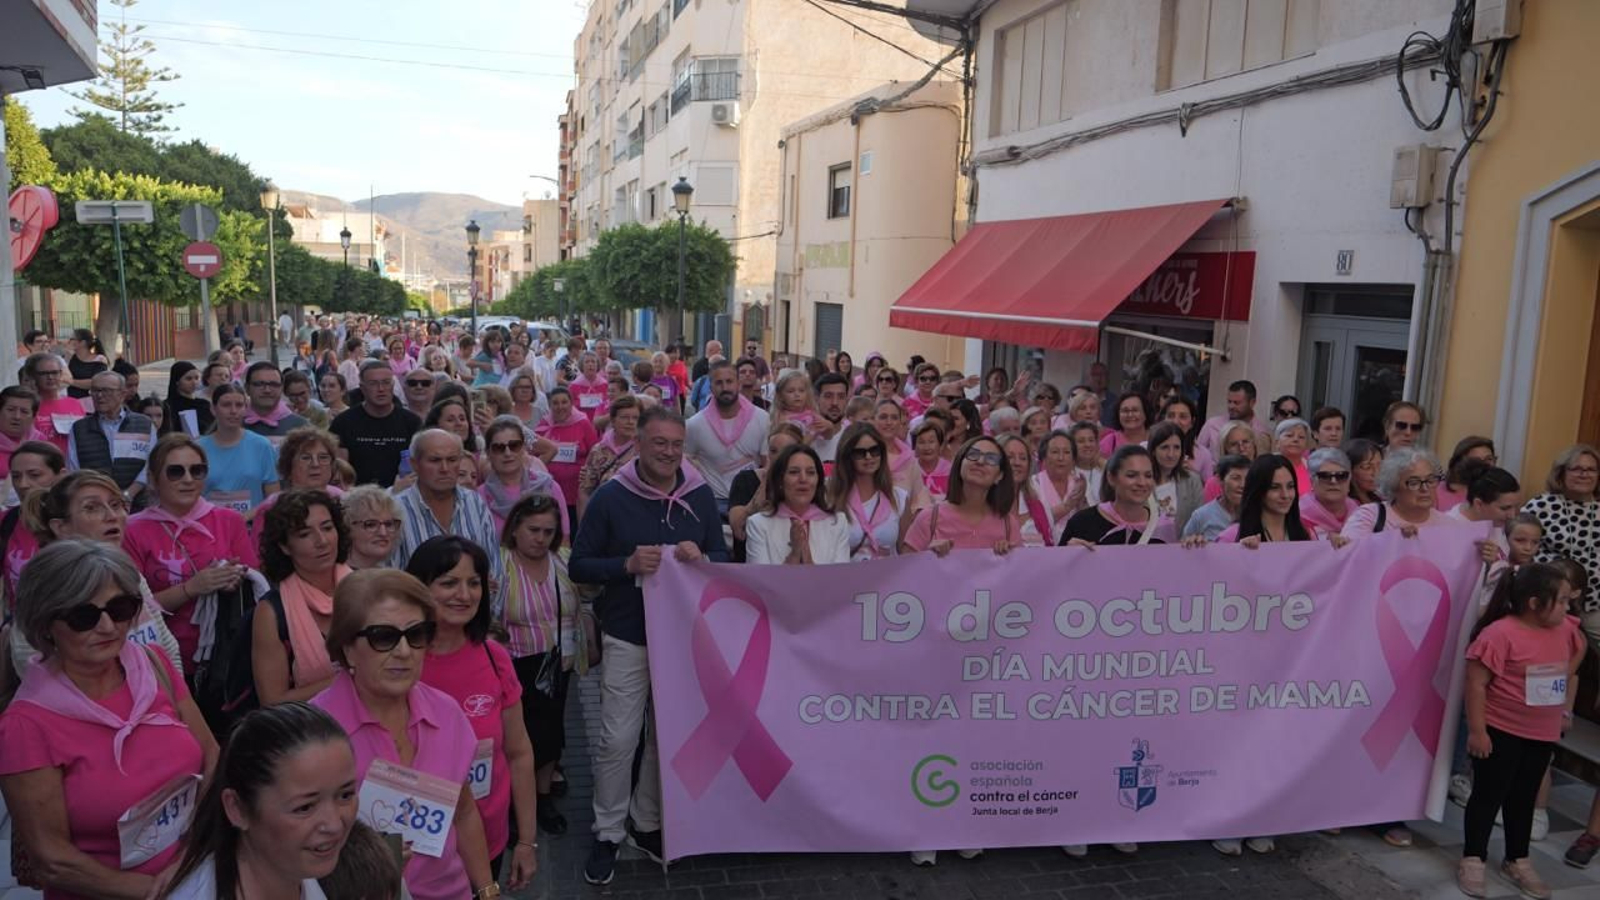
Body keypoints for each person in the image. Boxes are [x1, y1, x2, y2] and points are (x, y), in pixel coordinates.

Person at [0, 540, 216, 898]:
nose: (107, 626)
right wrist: (159, 891)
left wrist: (193, 861)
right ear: (46, 623)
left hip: (195, 874)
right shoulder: (26, 726)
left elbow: (211, 753)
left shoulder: (154, 664)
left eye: (120, 608)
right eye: (84, 617)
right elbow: (52, 859)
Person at [570, 406, 727, 885]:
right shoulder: (611, 497)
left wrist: (703, 556)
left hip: (683, 640)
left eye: (676, 444)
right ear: (637, 443)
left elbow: (722, 555)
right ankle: (608, 830)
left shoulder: (698, 494)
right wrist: (625, 565)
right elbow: (579, 565)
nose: (669, 453)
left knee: (666, 737)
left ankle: (647, 821)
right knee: (617, 738)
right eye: (659, 443)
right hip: (628, 635)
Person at [311, 569, 500, 900]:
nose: (403, 651)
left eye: (416, 634)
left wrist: (486, 891)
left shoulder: (447, 713)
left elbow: (465, 810)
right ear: (348, 648)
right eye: (384, 636)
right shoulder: (312, 733)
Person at [407, 537, 539, 889]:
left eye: (473, 583)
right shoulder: (400, 663)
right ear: (420, 588)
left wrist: (526, 841)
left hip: (488, 836)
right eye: (448, 582)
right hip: (417, 851)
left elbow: (519, 752)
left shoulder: (495, 658)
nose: (463, 595)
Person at [1458, 563, 1585, 899]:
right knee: (1488, 795)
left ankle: (1517, 858)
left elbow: (1575, 658)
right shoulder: (1500, 634)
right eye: (1559, 601)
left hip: (1541, 734)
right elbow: (1476, 683)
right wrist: (1478, 730)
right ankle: (1474, 857)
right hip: (1501, 730)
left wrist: (1562, 708)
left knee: (1525, 797)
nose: (1567, 607)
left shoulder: (1567, 630)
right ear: (1533, 602)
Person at [161, 701, 357, 900]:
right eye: (305, 807)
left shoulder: (299, 867)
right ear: (237, 808)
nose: (334, 825)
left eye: (345, 795)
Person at [14, 470, 182, 676]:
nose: (111, 516)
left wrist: (176, 702)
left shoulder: (129, 575)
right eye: (91, 508)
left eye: (115, 505)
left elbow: (167, 648)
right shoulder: (44, 589)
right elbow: (31, 666)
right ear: (61, 527)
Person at [124, 434, 259, 670]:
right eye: (175, 472)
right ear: (154, 480)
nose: (188, 479)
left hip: (221, 656)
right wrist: (191, 589)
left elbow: (254, 586)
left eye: (197, 470)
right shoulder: (132, 529)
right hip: (160, 658)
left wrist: (234, 580)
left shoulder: (229, 520)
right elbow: (132, 610)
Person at [498, 493, 583, 837]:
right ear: (515, 528)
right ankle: (514, 804)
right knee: (515, 739)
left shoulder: (564, 559)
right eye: (533, 530)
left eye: (549, 531)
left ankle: (541, 798)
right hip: (515, 665)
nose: (541, 538)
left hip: (557, 665)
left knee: (549, 736)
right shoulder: (497, 564)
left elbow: (585, 597)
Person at [252, 490, 352, 706]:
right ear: (285, 547)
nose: (322, 541)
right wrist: (349, 680)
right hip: (310, 730)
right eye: (305, 534)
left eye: (327, 528)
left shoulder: (367, 587)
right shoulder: (271, 611)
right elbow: (272, 701)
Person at [391, 430, 505, 607]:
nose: (444, 468)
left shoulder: (475, 503)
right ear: (415, 464)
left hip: (473, 621)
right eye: (435, 460)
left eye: (452, 460)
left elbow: (494, 574)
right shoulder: (395, 510)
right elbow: (393, 580)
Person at [900, 436, 1020, 560]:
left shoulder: (1008, 525)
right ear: (960, 463)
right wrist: (927, 556)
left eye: (991, 459)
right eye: (973, 454)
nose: (980, 461)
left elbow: (1019, 573)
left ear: (999, 476)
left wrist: (1010, 557)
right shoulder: (929, 518)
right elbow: (904, 570)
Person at [685, 361, 771, 516]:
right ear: (711, 388)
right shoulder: (694, 425)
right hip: (713, 504)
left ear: (738, 384)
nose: (725, 388)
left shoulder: (762, 419)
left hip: (751, 503)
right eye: (719, 383)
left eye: (729, 381)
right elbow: (686, 460)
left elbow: (768, 464)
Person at [1523, 444, 1600, 610]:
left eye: (1591, 470)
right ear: (1561, 473)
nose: (1584, 474)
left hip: (1595, 603)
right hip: (1548, 599)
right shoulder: (1541, 506)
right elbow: (1518, 546)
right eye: (1577, 469)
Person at [745, 444, 850, 564]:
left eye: (810, 473)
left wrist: (808, 559)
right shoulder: (758, 525)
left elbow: (840, 579)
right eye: (794, 472)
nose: (803, 479)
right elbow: (759, 580)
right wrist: (794, 554)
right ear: (780, 480)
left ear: (818, 480)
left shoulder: (837, 522)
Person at [331, 360, 424, 489]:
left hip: (403, 494)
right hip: (358, 495)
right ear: (362, 388)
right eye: (373, 384)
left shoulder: (411, 422)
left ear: (393, 386)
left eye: (386, 383)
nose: (381, 389)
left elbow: (422, 463)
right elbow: (340, 470)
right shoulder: (343, 422)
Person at [1060, 444, 1174, 547]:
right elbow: (1057, 568)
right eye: (1131, 475)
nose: (1142, 483)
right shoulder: (1082, 522)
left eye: (1148, 476)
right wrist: (1069, 554)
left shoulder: (1163, 528)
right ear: (1111, 478)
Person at [67, 370, 157, 498]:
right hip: (95, 502)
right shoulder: (79, 428)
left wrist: (128, 494)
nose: (99, 396)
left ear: (122, 394)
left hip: (137, 503)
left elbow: (150, 465)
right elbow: (73, 469)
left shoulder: (144, 425)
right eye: (95, 390)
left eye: (106, 390)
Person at [198, 384, 281, 518]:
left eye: (239, 405)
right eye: (226, 405)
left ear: (246, 408)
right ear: (213, 409)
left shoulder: (261, 445)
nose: (233, 411)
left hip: (251, 527)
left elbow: (273, 497)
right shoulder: (198, 448)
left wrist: (245, 517)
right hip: (210, 527)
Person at [1, 442, 67, 603]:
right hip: (20, 624)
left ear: (61, 476)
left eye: (34, 475)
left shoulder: (78, 522)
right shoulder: (6, 520)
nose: (23, 484)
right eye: (16, 476)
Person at [480, 415, 569, 534]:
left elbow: (564, 541)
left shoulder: (549, 487)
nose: (507, 453)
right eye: (498, 448)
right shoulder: (479, 497)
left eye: (514, 446)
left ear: (524, 449)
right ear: (488, 453)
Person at [1342, 446, 1448, 539]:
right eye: (1414, 482)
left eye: (1430, 480)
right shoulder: (1368, 516)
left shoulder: (1450, 526)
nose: (1425, 488)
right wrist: (1392, 540)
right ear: (1394, 486)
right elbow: (1348, 555)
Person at [534, 387, 598, 523]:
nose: (560, 407)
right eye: (555, 403)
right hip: (549, 490)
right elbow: (534, 455)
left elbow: (595, 452)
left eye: (564, 402)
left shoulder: (583, 423)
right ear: (550, 406)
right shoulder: (544, 424)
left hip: (576, 492)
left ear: (571, 404)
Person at [578, 395, 642, 522]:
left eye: (635, 418)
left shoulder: (645, 451)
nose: (630, 422)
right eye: (624, 417)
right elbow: (585, 491)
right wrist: (584, 526)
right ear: (612, 420)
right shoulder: (599, 450)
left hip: (635, 518)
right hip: (603, 517)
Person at [21, 352, 84, 455]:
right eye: (44, 373)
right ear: (33, 376)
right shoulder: (26, 406)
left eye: (55, 372)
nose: (50, 377)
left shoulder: (74, 403)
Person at [1147, 421, 1203, 535]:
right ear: (1153, 450)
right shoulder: (1142, 482)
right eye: (1165, 447)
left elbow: (1199, 522)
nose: (1171, 454)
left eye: (1177, 447)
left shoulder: (1192, 481)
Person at [1033, 430, 1087, 545]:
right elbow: (1032, 524)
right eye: (1055, 452)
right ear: (1044, 458)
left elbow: (1089, 522)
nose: (1061, 458)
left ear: (1073, 459)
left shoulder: (1081, 482)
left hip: (1076, 550)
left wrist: (1082, 503)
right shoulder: (1032, 484)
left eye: (1067, 452)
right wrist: (1067, 506)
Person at [1183, 455, 1251, 541]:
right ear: (1220, 480)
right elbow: (1183, 548)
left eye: (1248, 479)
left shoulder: (1258, 514)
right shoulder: (1201, 516)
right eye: (1236, 478)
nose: (1242, 485)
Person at [1298, 447, 1358, 535]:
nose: (1333, 481)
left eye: (1341, 476)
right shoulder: (1298, 517)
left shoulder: (1360, 511)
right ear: (1312, 481)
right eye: (1325, 476)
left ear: (1349, 479)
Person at [343, 484, 404, 570]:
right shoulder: (336, 577)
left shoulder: (391, 577)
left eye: (388, 524)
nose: (383, 533)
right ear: (347, 528)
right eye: (371, 525)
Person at [1197, 380, 1262, 457]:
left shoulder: (1261, 432)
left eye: (1236, 403)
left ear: (1252, 402)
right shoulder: (1212, 424)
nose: (1231, 406)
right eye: (1229, 402)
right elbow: (1197, 455)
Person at [0, 387, 45, 488]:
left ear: (34, 416)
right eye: (10, 410)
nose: (17, 416)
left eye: (24, 411)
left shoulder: (40, 443)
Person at [1439, 436, 1498, 512]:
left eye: (1489, 459)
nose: (1485, 464)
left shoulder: (1499, 493)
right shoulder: (1437, 492)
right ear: (1460, 463)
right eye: (1476, 460)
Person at [812, 373, 851, 464]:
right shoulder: (804, 436)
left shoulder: (852, 437)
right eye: (828, 396)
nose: (835, 403)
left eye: (841, 397)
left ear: (847, 400)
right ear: (817, 398)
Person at [1100, 392, 1152, 456]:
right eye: (1125, 411)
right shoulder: (1110, 441)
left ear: (1145, 413)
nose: (1130, 415)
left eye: (1135, 410)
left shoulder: (1157, 438)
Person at [1273, 417, 1314, 496]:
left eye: (1301, 437)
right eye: (1289, 435)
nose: (1295, 440)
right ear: (1277, 442)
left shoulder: (1312, 468)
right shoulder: (1266, 465)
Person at [64, 328, 108, 400]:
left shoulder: (99, 359)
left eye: (72, 339)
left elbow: (95, 382)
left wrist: (71, 381)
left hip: (91, 401)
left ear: (82, 343)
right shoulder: (69, 358)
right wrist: (67, 358)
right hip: (70, 400)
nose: (68, 342)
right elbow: (62, 376)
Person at [911, 420, 950, 500]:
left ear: (940, 445)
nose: (927, 447)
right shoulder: (908, 469)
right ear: (915, 447)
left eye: (931, 442)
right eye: (921, 442)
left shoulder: (952, 470)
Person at [1344, 438, 1384, 506]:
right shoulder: (1347, 505)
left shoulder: (1380, 498)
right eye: (1367, 467)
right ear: (1349, 470)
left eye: (1379, 465)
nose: (1376, 473)